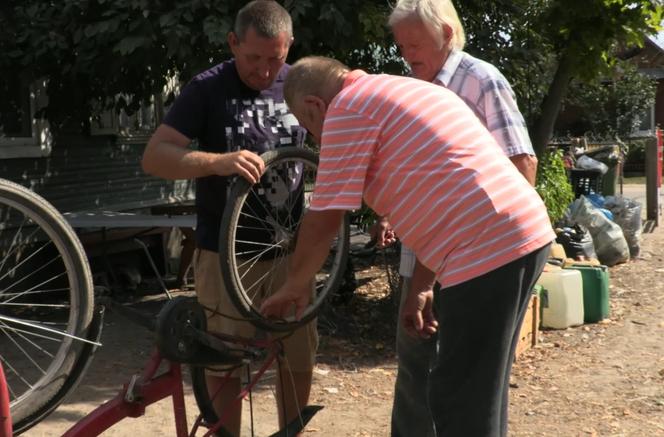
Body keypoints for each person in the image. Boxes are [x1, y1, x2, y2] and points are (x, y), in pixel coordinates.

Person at [260, 56, 554, 437]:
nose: (316, 137)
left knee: (459, 399)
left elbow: (325, 215)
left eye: (308, 124)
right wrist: (421, 284)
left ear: (315, 105)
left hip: (486, 250)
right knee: (479, 393)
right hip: (519, 235)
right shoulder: (407, 90)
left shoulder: (348, 109)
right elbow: (445, 195)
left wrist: (296, 283)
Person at [141, 2, 317, 435]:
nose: (263, 70)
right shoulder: (207, 89)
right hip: (224, 256)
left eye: (274, 58)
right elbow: (155, 156)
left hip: (290, 256)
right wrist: (218, 162)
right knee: (221, 362)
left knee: (296, 357)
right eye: (253, 57)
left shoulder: (300, 84)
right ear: (233, 43)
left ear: (289, 46)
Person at [374, 2, 540, 435]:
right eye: (400, 44)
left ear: (446, 34)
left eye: (414, 43)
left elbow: (521, 164)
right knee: (414, 369)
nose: (406, 54)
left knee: (467, 384)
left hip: (476, 259)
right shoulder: (414, 87)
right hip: (425, 257)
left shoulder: (481, 80)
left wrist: (474, 236)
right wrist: (393, 214)